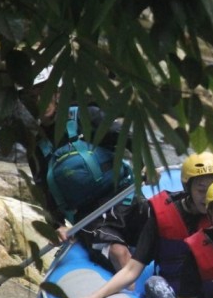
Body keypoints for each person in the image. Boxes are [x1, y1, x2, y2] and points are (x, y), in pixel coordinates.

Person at [74, 153, 213, 298]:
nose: (207, 196)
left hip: (208, 292)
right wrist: (94, 297)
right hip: (172, 293)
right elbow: (132, 270)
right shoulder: (162, 215)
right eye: (201, 189)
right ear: (187, 187)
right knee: (154, 284)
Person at [22, 66, 141, 271]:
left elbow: (129, 139)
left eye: (44, 92)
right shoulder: (36, 149)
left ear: (58, 93)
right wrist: (56, 226)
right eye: (32, 97)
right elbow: (45, 197)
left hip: (124, 196)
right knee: (118, 252)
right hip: (89, 217)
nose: (39, 102)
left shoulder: (87, 117)